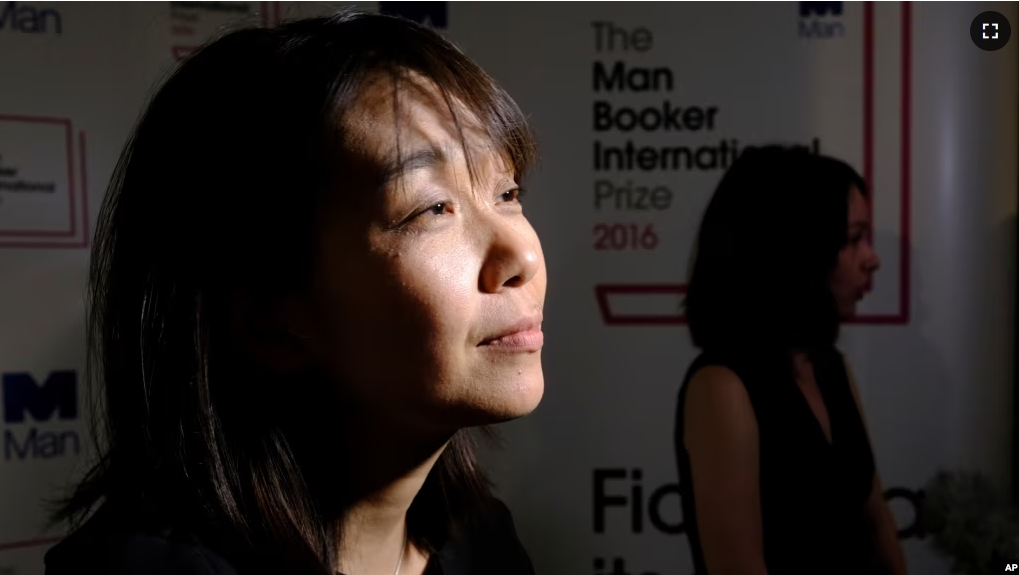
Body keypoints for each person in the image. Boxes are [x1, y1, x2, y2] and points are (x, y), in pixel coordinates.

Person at [44, 10, 545, 575]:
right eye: (432, 208)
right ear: (269, 319)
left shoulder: (482, 544)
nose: (522, 256)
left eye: (507, 191)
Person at [674, 146, 907, 575]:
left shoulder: (830, 366)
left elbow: (876, 520)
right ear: (798, 251)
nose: (872, 258)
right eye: (853, 239)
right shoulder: (721, 387)